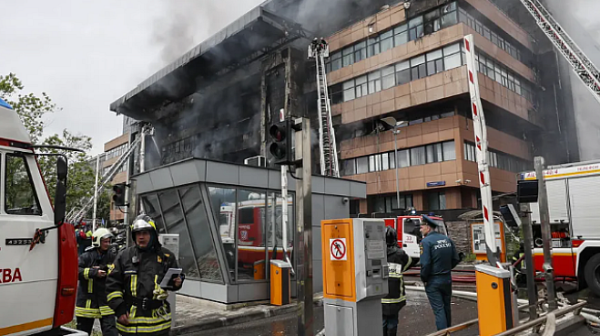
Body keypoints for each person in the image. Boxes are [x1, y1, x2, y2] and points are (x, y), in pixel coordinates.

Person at [106, 214, 184, 336]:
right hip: (131, 324)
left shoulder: (166, 257)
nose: (141, 237)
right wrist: (119, 309)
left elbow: (174, 281)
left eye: (145, 233)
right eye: (138, 233)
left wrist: (177, 283)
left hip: (159, 325)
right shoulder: (124, 256)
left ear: (153, 234)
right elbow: (112, 285)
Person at [419, 215, 460, 331]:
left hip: (433, 280)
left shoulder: (426, 242)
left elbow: (425, 264)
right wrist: (446, 269)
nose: (420, 229)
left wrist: (424, 278)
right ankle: (448, 331)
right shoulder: (447, 239)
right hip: (447, 279)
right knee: (447, 307)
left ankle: (442, 333)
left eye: (422, 227)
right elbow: (456, 259)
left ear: (428, 227)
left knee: (439, 310)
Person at [76, 228, 118, 336]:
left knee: (111, 332)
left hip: (106, 303)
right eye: (105, 241)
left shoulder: (112, 257)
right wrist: (93, 272)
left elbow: (117, 272)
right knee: (83, 333)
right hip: (87, 304)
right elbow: (76, 271)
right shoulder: (86, 256)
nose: (107, 244)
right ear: (97, 241)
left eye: (109, 241)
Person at [382, 226, 412, 336]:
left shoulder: (376, 253)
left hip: (381, 294)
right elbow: (408, 263)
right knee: (393, 320)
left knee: (382, 320)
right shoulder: (400, 254)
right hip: (396, 295)